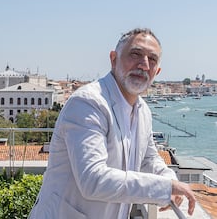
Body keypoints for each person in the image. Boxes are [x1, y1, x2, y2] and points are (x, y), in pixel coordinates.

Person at [28, 28, 196, 219]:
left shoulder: (143, 112)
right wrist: (166, 189)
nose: (144, 64)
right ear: (113, 59)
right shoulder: (88, 102)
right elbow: (93, 179)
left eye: (152, 59)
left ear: (157, 71)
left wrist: (169, 178)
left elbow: (149, 159)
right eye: (136, 54)